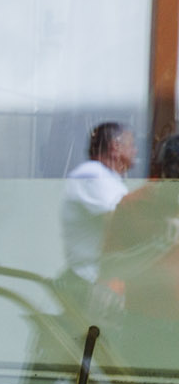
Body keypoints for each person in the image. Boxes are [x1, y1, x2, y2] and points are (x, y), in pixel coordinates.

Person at [61, 121, 135, 285]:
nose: (134, 151)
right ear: (115, 147)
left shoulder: (109, 178)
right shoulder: (91, 173)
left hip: (105, 276)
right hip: (91, 280)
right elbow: (123, 219)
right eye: (131, 145)